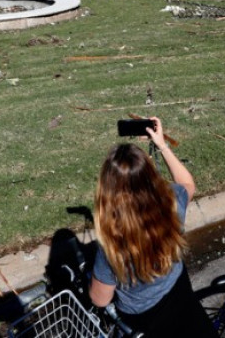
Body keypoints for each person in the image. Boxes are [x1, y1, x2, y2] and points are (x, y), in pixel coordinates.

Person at [89, 116, 216, 337]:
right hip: (178, 291)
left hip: (143, 314)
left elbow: (100, 300)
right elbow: (188, 184)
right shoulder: (171, 202)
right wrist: (162, 145)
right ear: (150, 177)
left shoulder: (111, 241)